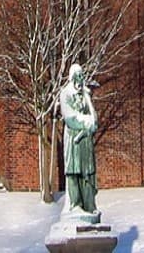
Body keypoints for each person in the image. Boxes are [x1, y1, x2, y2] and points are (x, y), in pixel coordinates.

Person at [59, 63, 98, 215]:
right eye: (78, 77)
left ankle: (89, 205)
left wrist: (93, 123)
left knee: (87, 172)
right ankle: (76, 204)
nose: (80, 80)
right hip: (73, 139)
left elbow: (94, 117)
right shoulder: (66, 94)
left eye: (82, 77)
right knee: (73, 171)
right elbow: (69, 117)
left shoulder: (85, 95)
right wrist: (86, 121)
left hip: (85, 140)